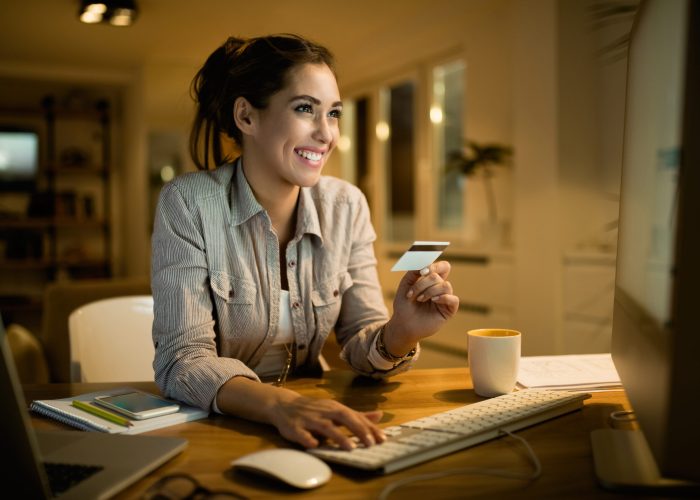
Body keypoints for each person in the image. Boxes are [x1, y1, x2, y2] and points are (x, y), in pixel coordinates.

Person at [151, 33, 459, 451]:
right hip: (219, 427)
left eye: (333, 114)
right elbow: (182, 360)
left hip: (315, 418)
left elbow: (360, 342)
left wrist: (401, 332)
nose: (326, 133)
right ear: (246, 116)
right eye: (304, 109)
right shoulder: (187, 203)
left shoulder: (347, 205)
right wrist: (281, 406)